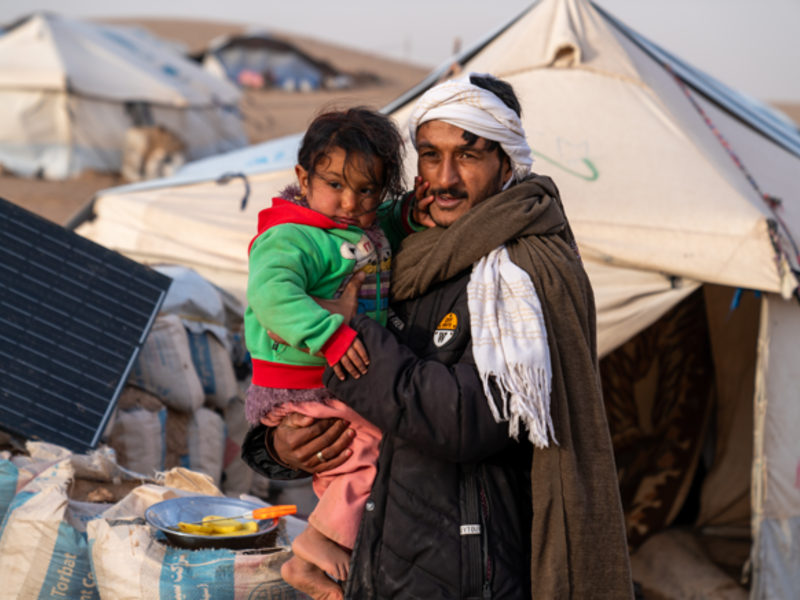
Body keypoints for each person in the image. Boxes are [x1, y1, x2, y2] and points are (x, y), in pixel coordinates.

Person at [243, 74, 634, 599]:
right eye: (430, 154)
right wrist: (279, 447)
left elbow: (466, 419)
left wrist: (349, 331)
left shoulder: (522, 273)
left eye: (468, 156)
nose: (445, 177)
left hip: (469, 570)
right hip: (382, 559)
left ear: (507, 162)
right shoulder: (399, 250)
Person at [243, 107, 420, 598]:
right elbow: (272, 295)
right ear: (303, 178)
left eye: (367, 191)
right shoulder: (289, 237)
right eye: (336, 185)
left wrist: (407, 213)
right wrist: (331, 335)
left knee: (355, 457)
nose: (350, 202)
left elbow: (378, 226)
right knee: (371, 451)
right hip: (299, 381)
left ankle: (323, 545)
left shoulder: (350, 229)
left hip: (327, 381)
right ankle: (315, 545)